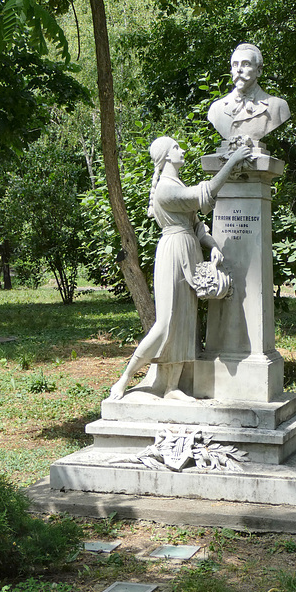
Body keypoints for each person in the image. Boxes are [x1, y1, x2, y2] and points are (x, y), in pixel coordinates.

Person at [109, 136, 251, 401]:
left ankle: (173, 387)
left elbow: (196, 225)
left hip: (189, 250)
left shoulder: (176, 184)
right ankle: (125, 378)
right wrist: (232, 161)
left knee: (185, 322)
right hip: (174, 253)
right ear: (165, 156)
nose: (182, 150)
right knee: (165, 323)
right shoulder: (165, 188)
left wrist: (211, 245)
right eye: (176, 147)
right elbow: (204, 194)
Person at [207, 43, 290, 141]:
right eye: (235, 65)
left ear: (259, 71)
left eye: (246, 64)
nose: (239, 70)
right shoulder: (216, 109)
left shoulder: (278, 107)